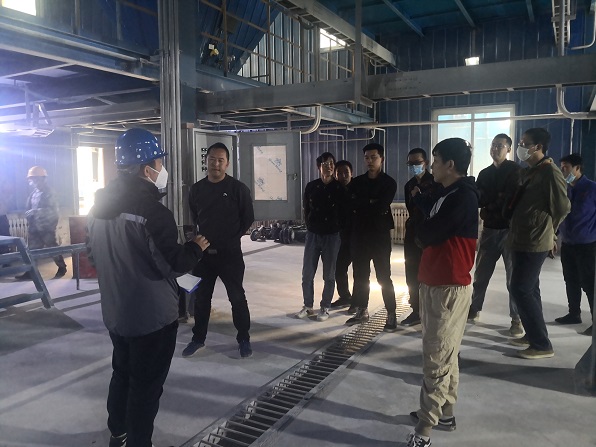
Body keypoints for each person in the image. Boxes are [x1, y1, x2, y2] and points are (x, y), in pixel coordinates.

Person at [86, 128, 210, 447]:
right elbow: (173, 264)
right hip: (152, 319)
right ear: (146, 168)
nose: (162, 168)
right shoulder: (153, 212)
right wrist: (195, 247)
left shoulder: (98, 207)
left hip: (116, 313)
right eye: (159, 162)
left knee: (122, 373)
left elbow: (93, 255)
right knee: (145, 387)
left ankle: (118, 433)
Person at [407, 138, 478, 447]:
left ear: (450, 165)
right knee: (447, 353)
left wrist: (422, 226)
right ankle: (445, 412)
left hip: (448, 286)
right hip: (435, 281)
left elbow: (426, 233)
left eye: (435, 161)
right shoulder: (446, 193)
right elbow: (425, 221)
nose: (430, 166)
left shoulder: (463, 197)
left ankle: (424, 430)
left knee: (436, 358)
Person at [182, 142, 255, 359]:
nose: (216, 164)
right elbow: (195, 217)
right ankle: (198, 339)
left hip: (230, 255)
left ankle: (244, 339)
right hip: (203, 256)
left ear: (227, 164)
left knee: (237, 297)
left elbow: (248, 218)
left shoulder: (238, 189)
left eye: (220, 160)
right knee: (201, 299)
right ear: (206, 161)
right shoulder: (197, 189)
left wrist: (231, 239)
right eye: (212, 159)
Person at [506, 128, 570, 359]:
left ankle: (542, 345)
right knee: (530, 289)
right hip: (520, 237)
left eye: (525, 143)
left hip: (535, 240)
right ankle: (534, 335)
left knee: (520, 288)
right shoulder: (530, 171)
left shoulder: (550, 172)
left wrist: (550, 231)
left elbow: (563, 207)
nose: (521, 147)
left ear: (539, 147)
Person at [467, 134, 524, 337]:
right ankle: (475, 308)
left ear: (508, 149)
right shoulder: (485, 173)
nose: (495, 149)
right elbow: (479, 199)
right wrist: (496, 199)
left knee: (513, 278)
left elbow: (511, 198)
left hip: (510, 231)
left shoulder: (516, 171)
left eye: (500, 145)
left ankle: (516, 319)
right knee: (481, 274)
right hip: (490, 230)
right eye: (493, 145)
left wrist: (492, 202)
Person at [345, 143, 398, 332]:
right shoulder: (357, 182)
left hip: (379, 236)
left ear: (382, 159)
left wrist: (363, 203)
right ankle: (362, 310)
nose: (369, 161)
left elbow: (382, 206)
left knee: (384, 276)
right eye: (366, 157)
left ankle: (391, 313)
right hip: (360, 235)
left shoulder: (389, 182)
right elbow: (352, 204)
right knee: (360, 276)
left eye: (373, 157)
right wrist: (370, 203)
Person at [295, 152, 344, 321]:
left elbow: (343, 212)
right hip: (313, 234)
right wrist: (309, 225)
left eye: (331, 163)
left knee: (329, 275)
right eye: (325, 164)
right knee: (307, 273)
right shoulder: (312, 186)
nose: (328, 166)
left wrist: (338, 228)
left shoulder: (338, 188)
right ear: (319, 167)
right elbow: (306, 208)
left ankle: (325, 307)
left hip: (332, 236)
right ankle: (308, 306)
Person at [555, 153, 596, 336]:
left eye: (566, 167)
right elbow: (560, 215)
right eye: (561, 167)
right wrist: (555, 236)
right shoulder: (564, 189)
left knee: (589, 283)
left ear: (577, 168)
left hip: (587, 244)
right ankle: (574, 313)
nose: (563, 170)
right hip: (568, 243)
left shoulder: (592, 188)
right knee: (570, 279)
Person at [402, 148, 439, 327]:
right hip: (412, 233)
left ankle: (430, 309)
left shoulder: (435, 182)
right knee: (411, 272)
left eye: (417, 163)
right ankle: (416, 309)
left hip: (429, 234)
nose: (413, 166)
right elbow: (410, 209)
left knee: (429, 273)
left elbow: (432, 209)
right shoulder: (408, 185)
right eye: (410, 163)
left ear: (426, 163)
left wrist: (419, 197)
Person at [16, 166, 67, 280]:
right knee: (31, 250)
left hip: (46, 226)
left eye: (35, 179)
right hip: (34, 226)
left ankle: (62, 267)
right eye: (32, 179)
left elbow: (53, 211)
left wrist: (36, 211)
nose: (33, 182)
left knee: (52, 248)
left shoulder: (50, 193)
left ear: (42, 179)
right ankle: (30, 271)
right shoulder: (34, 193)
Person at [330, 160, 354, 311]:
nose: (343, 176)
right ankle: (345, 296)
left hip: (356, 236)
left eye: (346, 172)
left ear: (352, 173)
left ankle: (358, 301)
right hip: (341, 237)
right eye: (339, 173)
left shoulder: (357, 189)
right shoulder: (334, 190)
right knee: (339, 267)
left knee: (359, 270)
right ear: (335, 175)